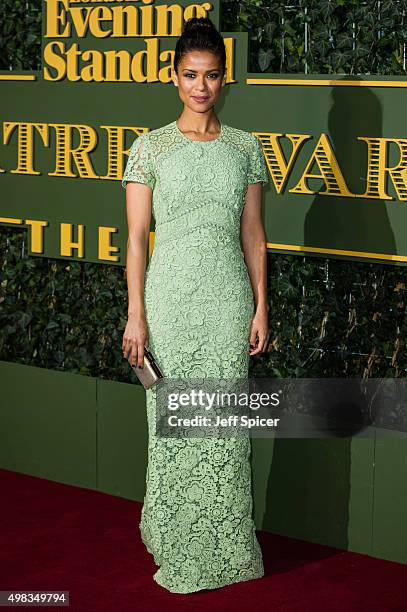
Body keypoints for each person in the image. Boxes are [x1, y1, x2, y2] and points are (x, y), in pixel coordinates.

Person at [121, 16, 270, 593]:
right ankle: (176, 538)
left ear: (223, 79)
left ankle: (229, 551)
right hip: (169, 302)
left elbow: (254, 235)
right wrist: (136, 313)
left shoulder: (245, 148)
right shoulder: (149, 148)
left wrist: (261, 307)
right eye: (190, 75)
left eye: (210, 75)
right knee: (174, 427)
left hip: (228, 302)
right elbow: (136, 239)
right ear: (174, 78)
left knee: (223, 428)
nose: (200, 86)